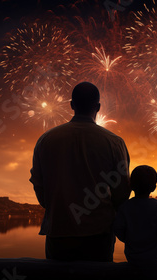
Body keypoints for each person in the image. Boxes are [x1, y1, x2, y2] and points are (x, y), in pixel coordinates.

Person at [30, 81, 130, 262]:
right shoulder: (114, 142)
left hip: (58, 233)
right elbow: (121, 192)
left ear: (71, 105)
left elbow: (39, 185)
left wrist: (57, 208)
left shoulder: (46, 140)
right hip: (98, 234)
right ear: (98, 107)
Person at [113, 165, 157, 267]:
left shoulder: (125, 207)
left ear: (131, 185)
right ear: (154, 188)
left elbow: (118, 229)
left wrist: (130, 239)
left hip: (132, 258)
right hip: (154, 259)